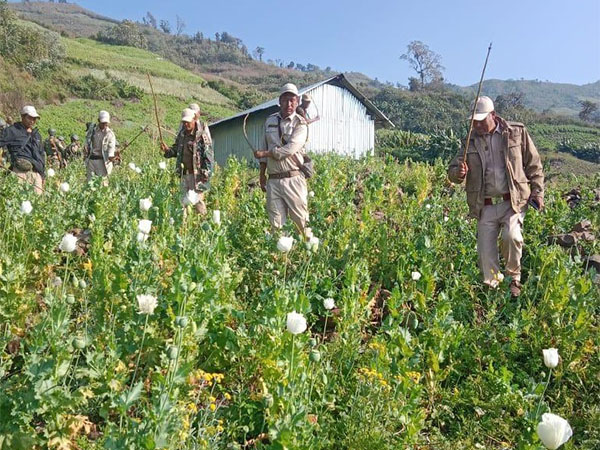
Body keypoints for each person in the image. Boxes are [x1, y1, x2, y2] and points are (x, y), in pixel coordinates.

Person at [448, 96, 544, 297]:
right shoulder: (469, 141)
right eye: (474, 121)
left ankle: (513, 280)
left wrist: (537, 191)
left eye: (481, 120)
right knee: (486, 251)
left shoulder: (516, 132)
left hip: (513, 200)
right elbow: (453, 171)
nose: (478, 125)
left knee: (512, 236)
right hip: (486, 204)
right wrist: (458, 173)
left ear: (493, 115)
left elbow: (533, 164)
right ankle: (492, 290)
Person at [253, 83, 309, 234]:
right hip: (273, 180)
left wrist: (265, 154)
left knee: (300, 221)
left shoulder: (301, 124)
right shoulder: (270, 121)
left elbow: (290, 149)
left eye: (292, 100)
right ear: (279, 101)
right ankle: (281, 256)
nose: (288, 104)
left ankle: (304, 253)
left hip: (293, 178)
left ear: (297, 101)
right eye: (285, 100)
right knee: (276, 224)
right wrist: (261, 175)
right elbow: (263, 146)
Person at [160, 107, 214, 215]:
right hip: (184, 174)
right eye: (184, 122)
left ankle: (201, 225)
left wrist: (206, 173)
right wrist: (167, 151)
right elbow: (176, 150)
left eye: (188, 122)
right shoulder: (182, 134)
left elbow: (208, 155)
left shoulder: (201, 135)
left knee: (197, 202)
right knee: (183, 202)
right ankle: (184, 227)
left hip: (197, 175)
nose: (186, 124)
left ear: (194, 119)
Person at [0, 106, 45, 194]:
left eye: (34, 118)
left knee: (38, 204)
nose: (32, 121)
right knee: (18, 200)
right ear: (22, 116)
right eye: (29, 118)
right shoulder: (11, 131)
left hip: (36, 174)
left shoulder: (36, 135)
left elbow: (41, 155)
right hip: (20, 172)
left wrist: (43, 175)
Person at [85, 110, 116, 182]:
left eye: (106, 123)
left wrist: (111, 157)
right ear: (99, 121)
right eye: (103, 123)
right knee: (89, 184)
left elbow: (111, 150)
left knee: (102, 184)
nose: (105, 125)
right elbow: (87, 141)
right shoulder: (93, 131)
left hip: (102, 162)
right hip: (91, 160)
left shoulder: (110, 134)